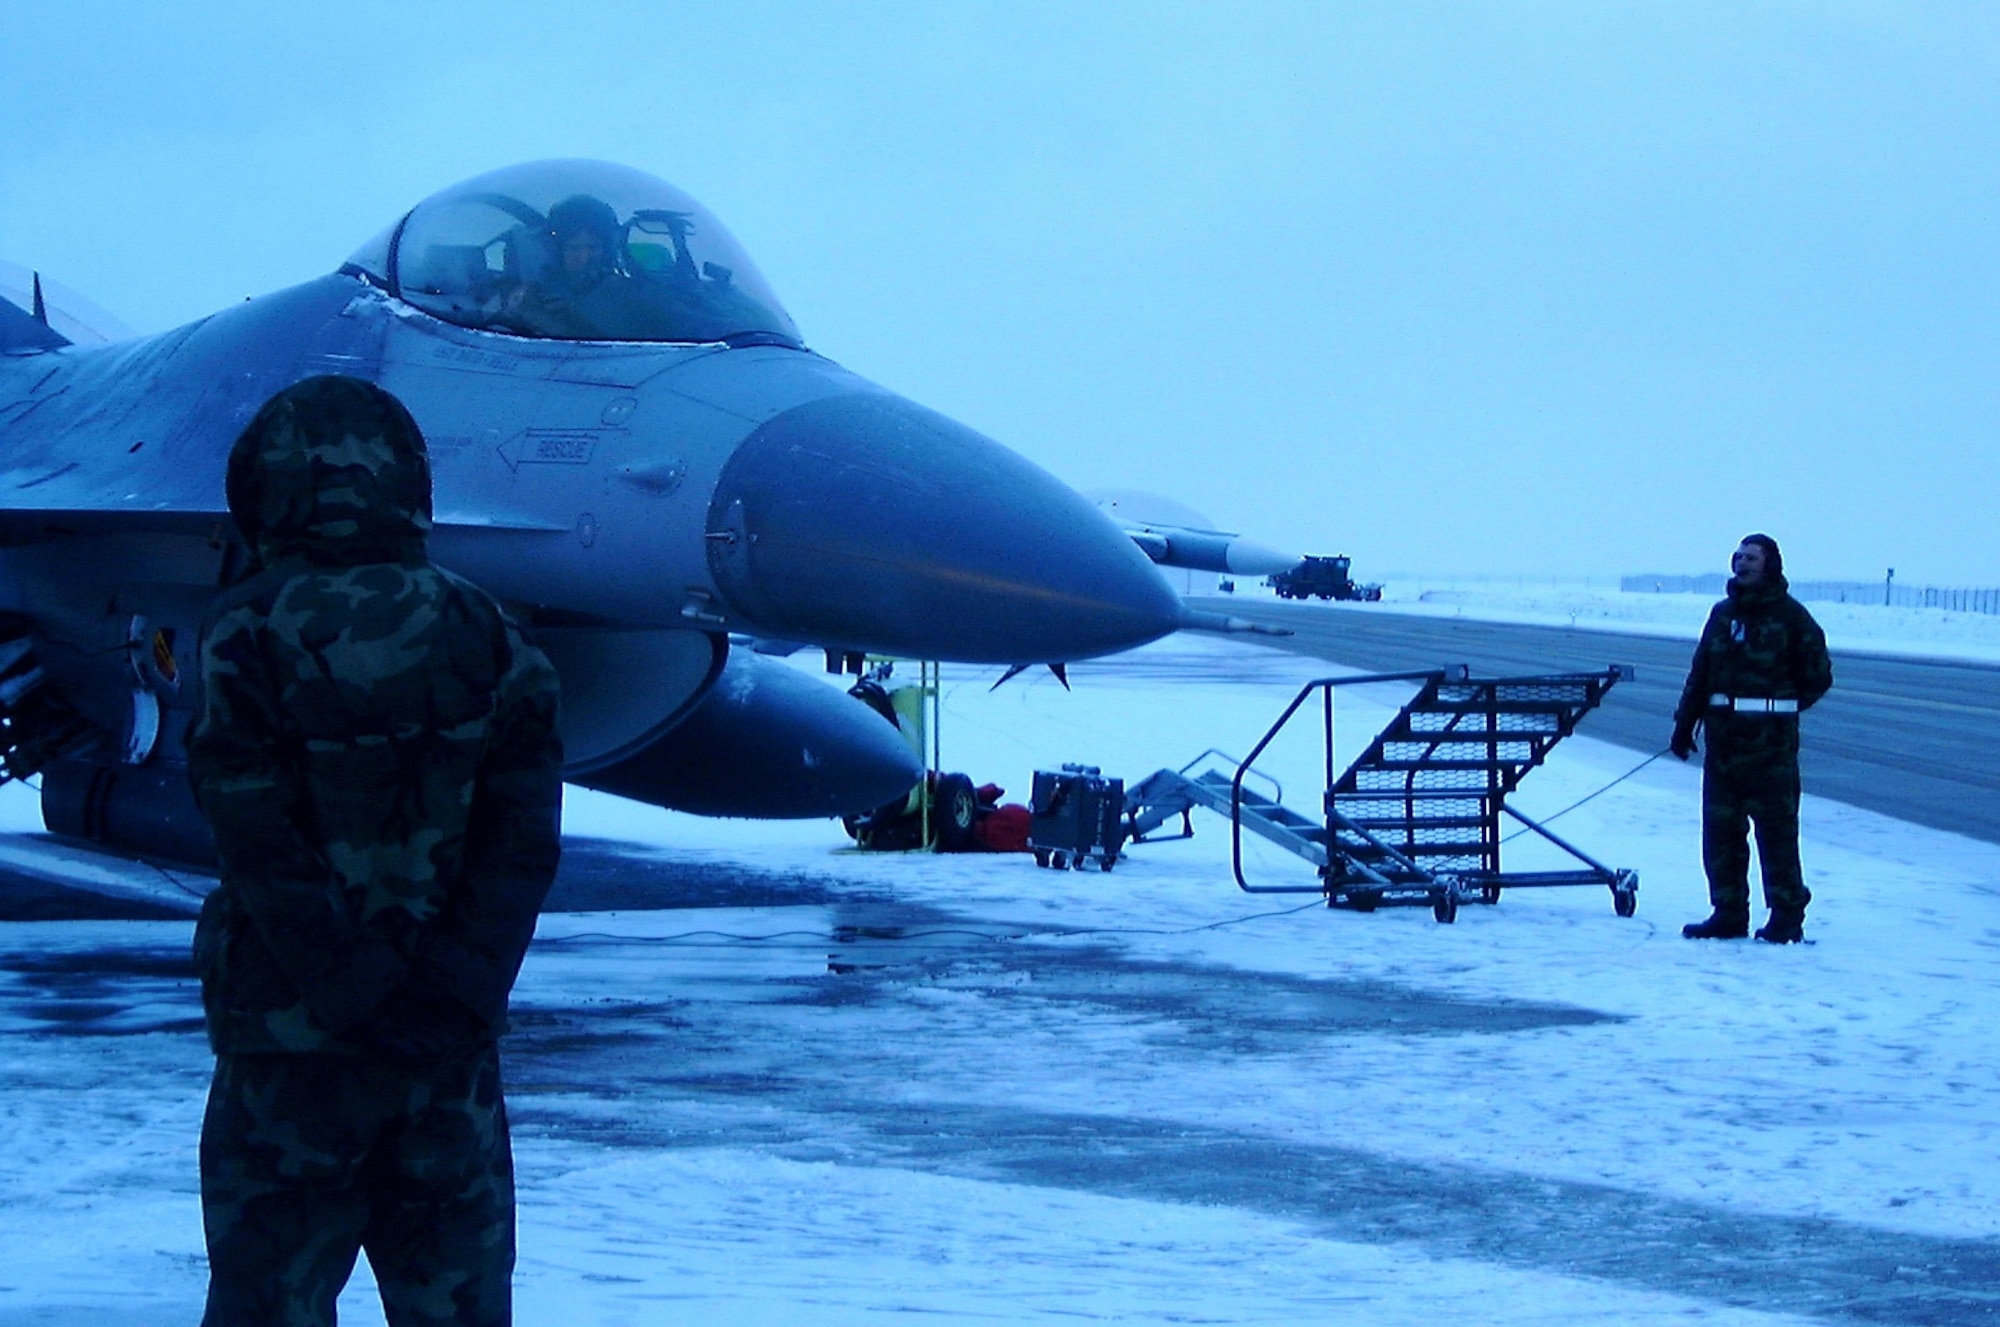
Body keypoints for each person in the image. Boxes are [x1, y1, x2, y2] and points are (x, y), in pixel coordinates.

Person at [187, 375, 563, 1324]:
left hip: (291, 1056)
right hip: (446, 1061)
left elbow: (252, 833)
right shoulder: (489, 632)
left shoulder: (247, 629)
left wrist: (350, 989)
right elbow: (520, 846)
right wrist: (454, 991)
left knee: (267, 1305)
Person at [1671, 534, 1832, 943]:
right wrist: (1685, 723)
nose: (1742, 564)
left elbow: (1817, 674)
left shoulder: (1793, 618)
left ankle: (1786, 916)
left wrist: (1779, 709)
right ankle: (1728, 912)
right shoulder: (1723, 615)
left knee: (1776, 833)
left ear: (1770, 564)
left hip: (1770, 748)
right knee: (1721, 832)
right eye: (1739, 556)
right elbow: (1701, 672)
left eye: (1752, 558)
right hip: (1724, 744)